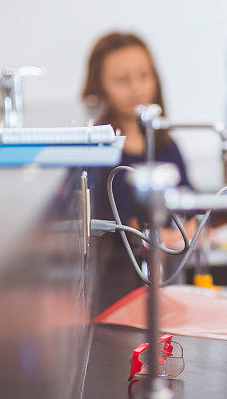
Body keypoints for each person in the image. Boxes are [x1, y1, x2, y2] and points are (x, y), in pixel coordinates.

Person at [82, 32, 191, 313]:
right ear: (99, 87)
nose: (136, 88)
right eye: (122, 80)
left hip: (172, 280)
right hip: (119, 290)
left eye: (144, 76)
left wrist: (194, 226)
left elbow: (191, 203)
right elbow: (120, 225)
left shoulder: (167, 145)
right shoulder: (97, 154)